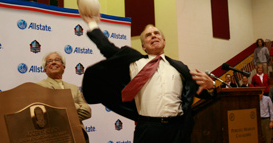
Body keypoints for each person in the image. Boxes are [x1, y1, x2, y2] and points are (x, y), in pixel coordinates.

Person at [80, 15, 215, 143]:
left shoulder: (179, 67)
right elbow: (107, 47)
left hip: (177, 129)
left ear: (164, 41)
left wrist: (211, 86)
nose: (153, 36)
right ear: (144, 46)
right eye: (148, 35)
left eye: (157, 33)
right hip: (148, 129)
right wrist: (92, 24)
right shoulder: (133, 62)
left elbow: (199, 91)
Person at [37, 51, 92, 143]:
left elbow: (87, 111)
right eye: (49, 61)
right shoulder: (39, 86)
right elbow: (51, 113)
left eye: (57, 60)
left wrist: (65, 109)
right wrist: (77, 106)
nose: (54, 62)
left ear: (63, 67)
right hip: (56, 138)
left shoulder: (74, 88)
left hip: (79, 137)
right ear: (45, 69)